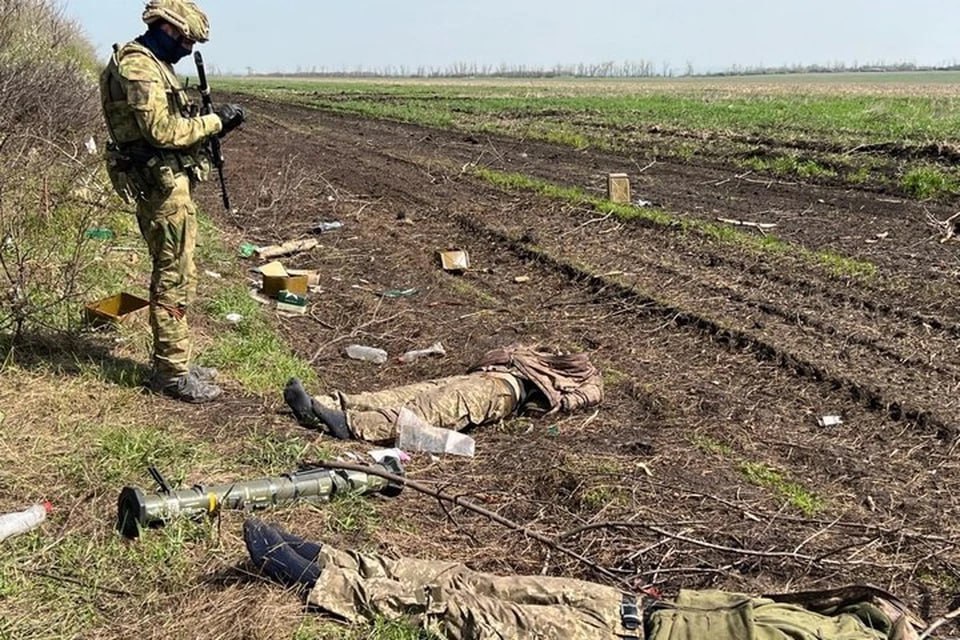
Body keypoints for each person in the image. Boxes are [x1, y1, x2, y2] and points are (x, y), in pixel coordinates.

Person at [244, 517, 923, 640]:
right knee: (477, 580)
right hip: (630, 608)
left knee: (460, 616)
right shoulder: (874, 621)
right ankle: (338, 558)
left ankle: (313, 582)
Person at [99, 0, 245, 403]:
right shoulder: (139, 65)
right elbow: (161, 131)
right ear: (165, 28)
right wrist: (214, 122)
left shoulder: (153, 64)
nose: (187, 48)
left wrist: (213, 126)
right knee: (172, 278)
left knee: (181, 272)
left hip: (166, 184)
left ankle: (175, 361)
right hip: (161, 189)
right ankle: (170, 374)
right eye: (185, 39)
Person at [283, 344, 605, 442]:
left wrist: (552, 399)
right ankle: (321, 406)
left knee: (435, 408)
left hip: (503, 392)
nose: (564, 351)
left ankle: (351, 424)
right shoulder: (538, 352)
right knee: (405, 392)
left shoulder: (588, 378)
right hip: (480, 376)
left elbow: (576, 399)